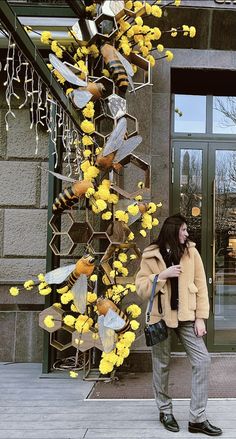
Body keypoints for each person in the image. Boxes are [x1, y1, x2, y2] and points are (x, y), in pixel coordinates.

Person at [135, 213, 222, 436]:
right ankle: (165, 411)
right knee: (162, 365)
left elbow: (201, 286)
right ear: (173, 230)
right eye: (183, 229)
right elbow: (142, 289)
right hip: (161, 318)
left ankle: (197, 418)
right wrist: (161, 275)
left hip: (187, 317)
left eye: (186, 230)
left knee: (203, 361)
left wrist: (201, 317)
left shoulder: (191, 252)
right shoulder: (151, 255)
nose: (186, 233)